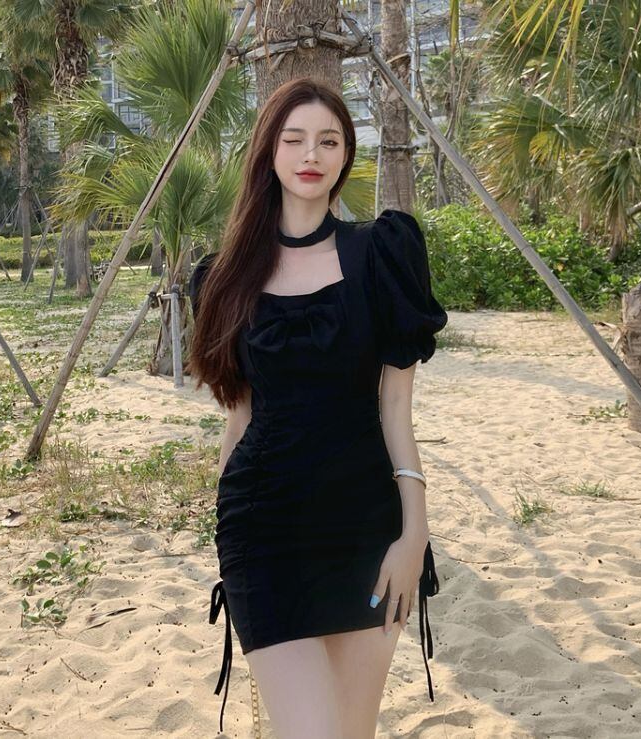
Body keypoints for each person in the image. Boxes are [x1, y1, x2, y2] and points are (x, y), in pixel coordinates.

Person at [186, 76, 448, 738]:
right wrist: (223, 534)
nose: (311, 154)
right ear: (268, 152)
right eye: (294, 138)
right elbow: (239, 417)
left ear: (346, 154)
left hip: (366, 530)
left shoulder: (380, 255)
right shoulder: (226, 277)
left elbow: (395, 408)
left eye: (329, 141)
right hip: (263, 533)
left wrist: (413, 535)